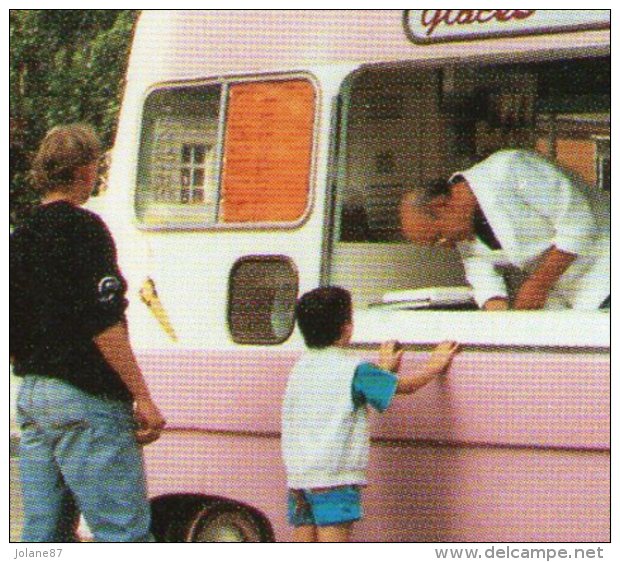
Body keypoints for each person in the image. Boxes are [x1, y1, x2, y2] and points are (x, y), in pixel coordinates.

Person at [10, 124, 166, 542]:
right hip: (87, 397)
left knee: (45, 536)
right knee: (124, 534)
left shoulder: (17, 237)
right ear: (84, 169)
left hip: (34, 395)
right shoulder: (86, 229)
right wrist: (143, 397)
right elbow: (104, 323)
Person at [281, 286, 459, 542]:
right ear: (347, 327)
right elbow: (404, 387)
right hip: (335, 479)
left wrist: (384, 369)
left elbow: (349, 390)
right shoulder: (354, 370)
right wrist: (434, 365)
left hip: (300, 477)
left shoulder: (302, 366)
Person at [400, 149, 610, 310]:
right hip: (579, 296)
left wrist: (538, 284)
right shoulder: (464, 228)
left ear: (441, 205)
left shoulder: (510, 168)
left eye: (438, 238)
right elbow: (482, 275)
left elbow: (579, 222)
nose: (446, 246)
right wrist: (497, 313)